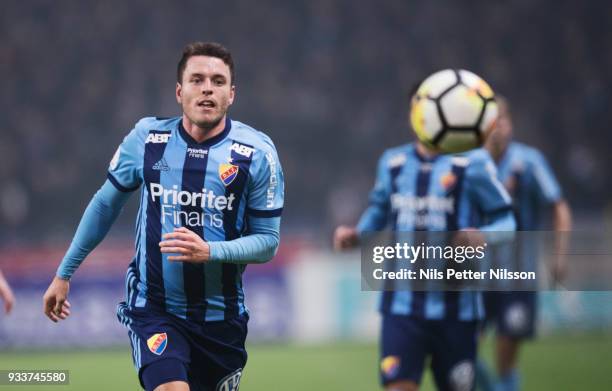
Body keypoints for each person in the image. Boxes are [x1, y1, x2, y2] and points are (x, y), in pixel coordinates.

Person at [42, 42, 284, 391]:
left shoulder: (258, 154)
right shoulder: (147, 139)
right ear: (179, 91)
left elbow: (268, 242)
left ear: (231, 95)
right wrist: (64, 273)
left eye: (218, 81)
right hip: (154, 309)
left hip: (221, 320)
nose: (206, 88)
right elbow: (104, 205)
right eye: (197, 79)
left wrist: (211, 252)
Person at [334, 93, 516, 390]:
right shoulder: (393, 162)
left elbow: (507, 222)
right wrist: (358, 234)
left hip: (457, 309)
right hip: (401, 307)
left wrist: (484, 236)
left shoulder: (473, 163)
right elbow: (379, 210)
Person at [477, 96, 572, 391]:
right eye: (491, 122)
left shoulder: (528, 161)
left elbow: (559, 208)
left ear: (511, 125)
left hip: (518, 272)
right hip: (477, 272)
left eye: (502, 121)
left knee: (507, 355)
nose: (497, 128)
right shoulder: (471, 164)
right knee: (461, 346)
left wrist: (559, 256)